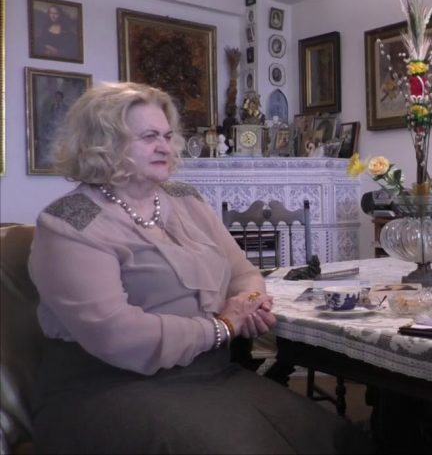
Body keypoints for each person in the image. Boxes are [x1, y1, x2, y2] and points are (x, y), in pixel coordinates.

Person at [28, 82, 370, 454]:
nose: (164, 146)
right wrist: (222, 327)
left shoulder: (185, 200)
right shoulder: (69, 222)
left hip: (211, 372)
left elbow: (243, 272)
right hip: (107, 386)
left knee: (331, 436)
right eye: (148, 137)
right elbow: (118, 335)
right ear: (103, 143)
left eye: (166, 136)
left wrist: (249, 303)